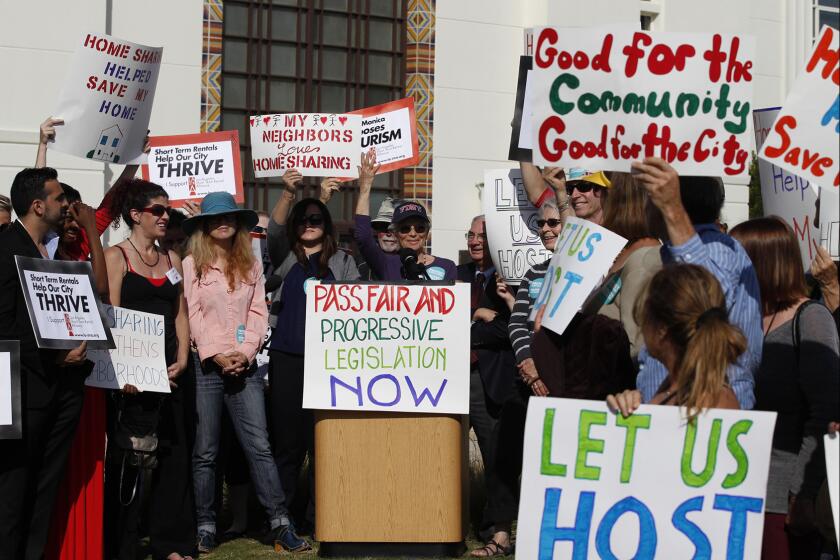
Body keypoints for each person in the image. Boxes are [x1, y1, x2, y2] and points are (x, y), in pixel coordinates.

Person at [181, 191, 309, 554]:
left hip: (245, 367)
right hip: (207, 366)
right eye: (215, 218)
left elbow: (257, 313)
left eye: (229, 217)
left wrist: (246, 351)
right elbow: (190, 314)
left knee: (259, 447)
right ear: (204, 225)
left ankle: (280, 523)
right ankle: (205, 525)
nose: (223, 223)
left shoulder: (251, 265)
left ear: (238, 224)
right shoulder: (191, 264)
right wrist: (215, 354)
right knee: (205, 450)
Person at [730, 217, 840, 560]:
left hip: (783, 501)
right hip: (733, 492)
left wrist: (802, 494)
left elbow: (824, 414)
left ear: (762, 262)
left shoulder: (811, 319)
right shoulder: (738, 318)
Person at [0, 168, 93, 560]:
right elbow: (3, 328)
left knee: (45, 487)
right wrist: (53, 353)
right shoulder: (6, 249)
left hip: (64, 386)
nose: (65, 204)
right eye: (57, 198)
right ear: (38, 205)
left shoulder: (54, 252)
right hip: (22, 387)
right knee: (14, 488)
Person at [101, 179, 195, 560]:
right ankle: (123, 544)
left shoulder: (172, 259)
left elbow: (181, 313)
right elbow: (113, 315)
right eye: (157, 210)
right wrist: (125, 371)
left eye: (167, 209)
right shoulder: (115, 257)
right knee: (131, 462)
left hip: (170, 373)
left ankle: (170, 544)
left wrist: (184, 359)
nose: (165, 216)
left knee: (174, 459)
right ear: (135, 215)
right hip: (133, 379)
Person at [266, 169, 360, 531]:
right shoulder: (284, 256)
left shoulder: (344, 261)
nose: (308, 224)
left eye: (316, 219)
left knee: (323, 442)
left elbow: (358, 307)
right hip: (288, 359)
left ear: (327, 224)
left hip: (331, 364)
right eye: (302, 220)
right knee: (288, 445)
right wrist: (289, 193)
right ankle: (282, 517)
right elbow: (274, 231)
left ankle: (321, 516)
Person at [631, 157, 762, 410]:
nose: (644, 206)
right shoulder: (676, 251)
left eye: (650, 196)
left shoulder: (717, 249)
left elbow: (705, 302)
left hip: (707, 423)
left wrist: (672, 210)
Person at [44, 183, 110, 560]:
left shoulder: (87, 247)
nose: (71, 219)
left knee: (88, 463)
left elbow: (101, 287)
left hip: (90, 372)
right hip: (55, 370)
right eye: (64, 213)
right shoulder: (45, 252)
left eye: (77, 212)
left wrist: (92, 232)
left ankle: (84, 547)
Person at [607, 263, 743, 419]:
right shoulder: (677, 388)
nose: (641, 326)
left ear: (661, 329)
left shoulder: (710, 405)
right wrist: (630, 411)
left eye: (645, 315)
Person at [457, 215, 517, 548]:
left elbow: (512, 329)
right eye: (471, 235)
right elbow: (443, 318)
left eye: (483, 235)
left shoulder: (510, 280)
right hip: (451, 376)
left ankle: (497, 531)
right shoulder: (457, 274)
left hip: (487, 379)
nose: (475, 241)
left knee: (495, 456)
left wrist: (485, 320)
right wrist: (477, 316)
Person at [587, 172, 662, 360]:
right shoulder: (627, 251)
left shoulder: (644, 259)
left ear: (620, 199)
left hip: (618, 387)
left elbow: (637, 347)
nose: (597, 197)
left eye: (600, 190)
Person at [354, 149, 456, 281]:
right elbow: (363, 237)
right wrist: (365, 186)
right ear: (396, 234)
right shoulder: (386, 264)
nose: (413, 234)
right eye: (405, 229)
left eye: (420, 228)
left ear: (427, 233)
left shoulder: (447, 266)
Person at [519, 162, 610, 224]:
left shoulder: (621, 227)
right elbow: (537, 196)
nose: (574, 195)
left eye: (583, 187)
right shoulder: (562, 215)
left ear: (604, 189)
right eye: (570, 188)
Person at [358, 197, 400, 280]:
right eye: (383, 227)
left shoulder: (416, 264)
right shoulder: (360, 265)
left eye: (394, 229)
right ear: (376, 231)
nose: (388, 233)